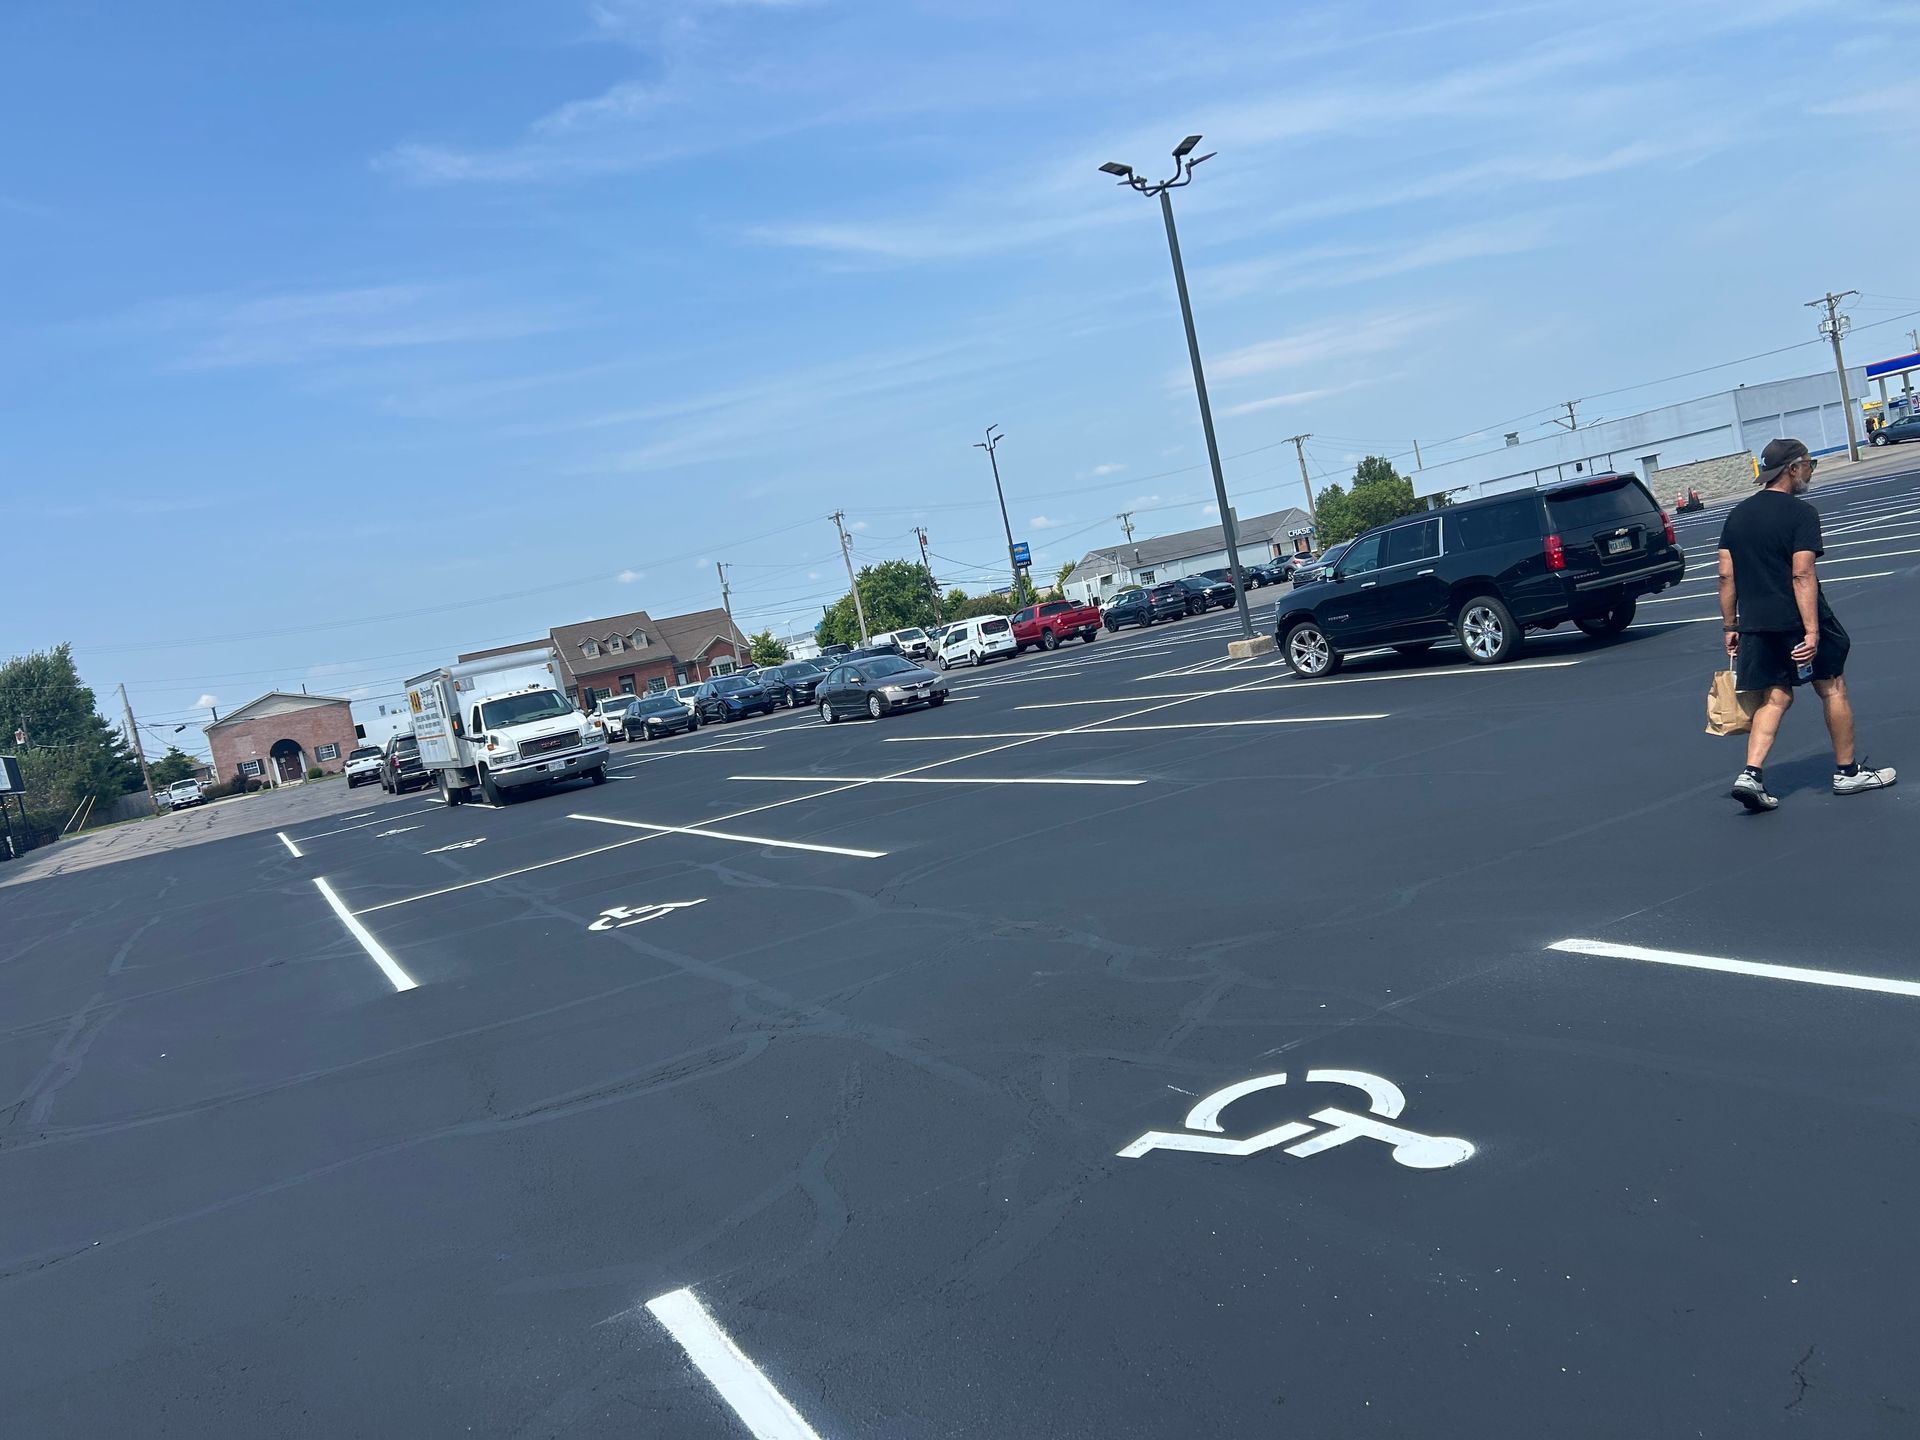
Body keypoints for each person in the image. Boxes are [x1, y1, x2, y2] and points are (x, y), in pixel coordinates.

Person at [1718, 437, 1895, 812]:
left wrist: (1730, 626)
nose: (1810, 472)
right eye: (1810, 465)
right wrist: (1812, 631)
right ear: (1793, 468)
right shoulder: (1801, 514)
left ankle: (1750, 774)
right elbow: (1802, 574)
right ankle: (1847, 774)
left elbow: (1725, 576)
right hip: (1797, 619)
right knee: (1832, 687)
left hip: (1756, 623)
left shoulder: (1737, 516)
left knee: (1776, 695)